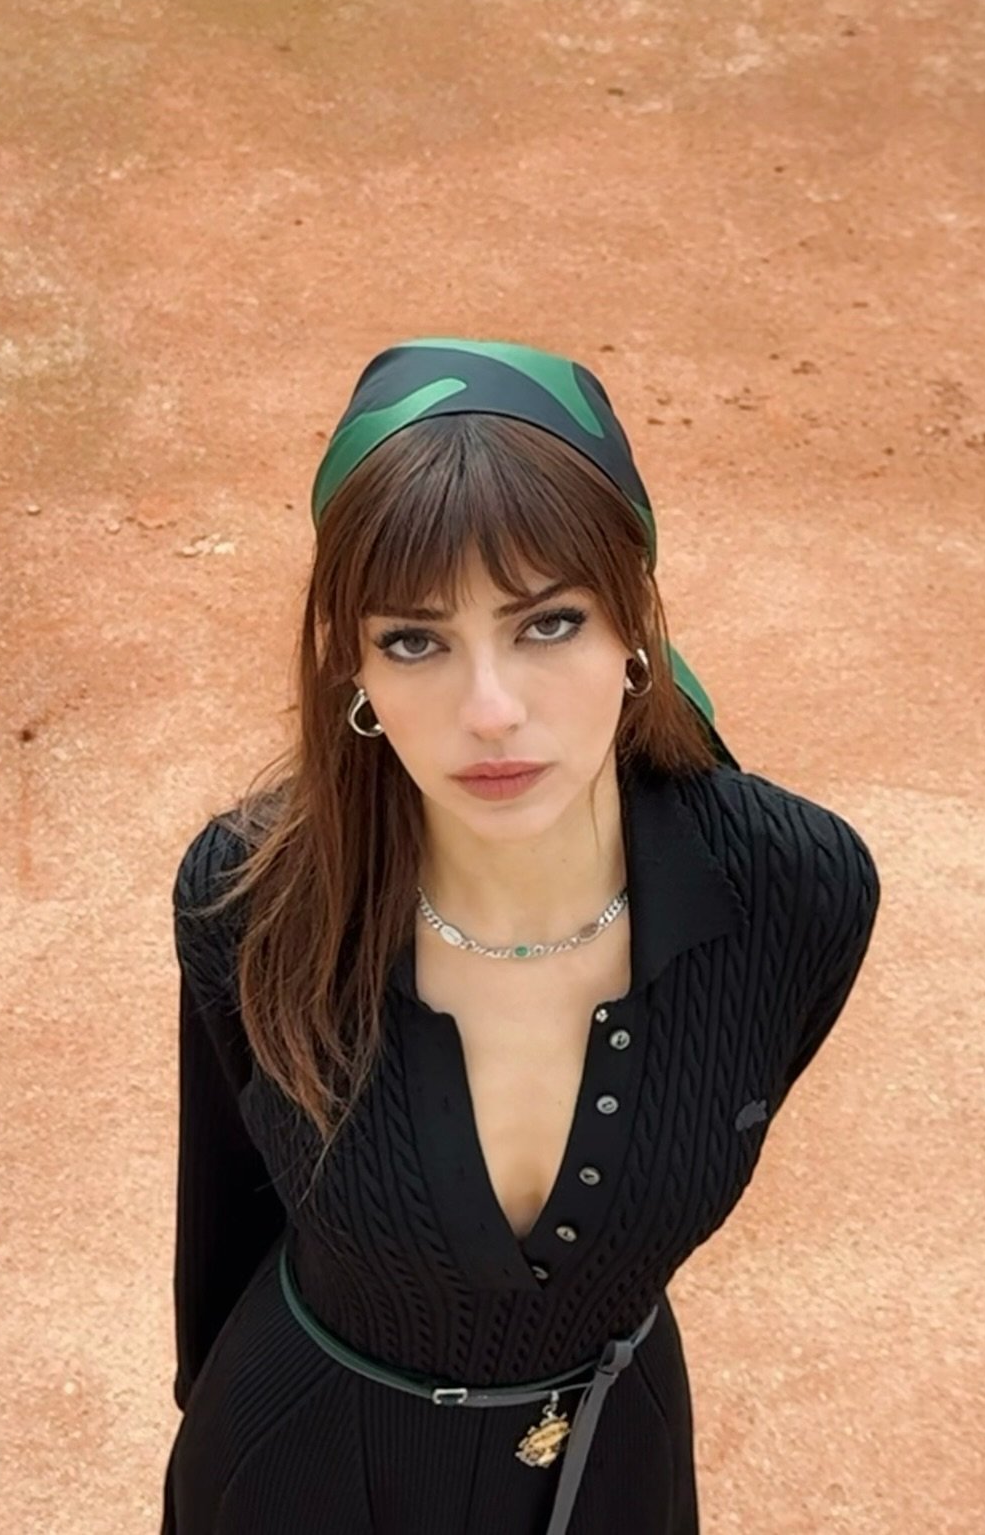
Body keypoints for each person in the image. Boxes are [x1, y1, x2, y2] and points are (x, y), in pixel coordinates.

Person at [161, 335, 881, 1535]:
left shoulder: (798, 891)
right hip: (299, 1472)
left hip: (611, 1471)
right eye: (416, 640)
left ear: (632, 618)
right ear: (352, 663)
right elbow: (226, 1215)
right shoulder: (249, 898)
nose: (490, 711)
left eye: (547, 623)